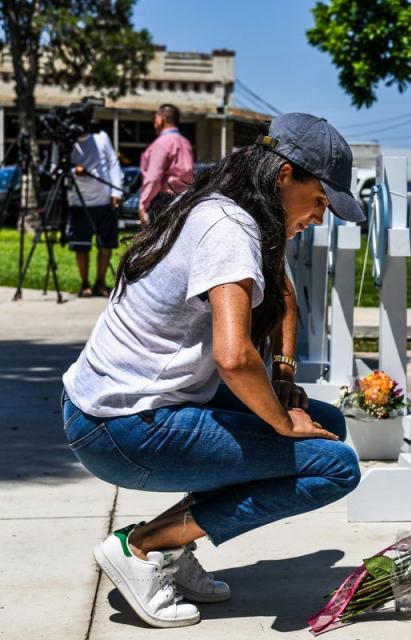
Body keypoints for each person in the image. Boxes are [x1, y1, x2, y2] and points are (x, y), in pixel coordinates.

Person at [61, 113, 367, 628]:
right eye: (319, 201)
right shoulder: (229, 228)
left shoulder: (231, 207)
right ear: (285, 174)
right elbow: (233, 357)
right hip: (121, 427)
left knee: (328, 427)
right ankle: (143, 546)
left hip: (124, 407)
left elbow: (284, 293)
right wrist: (279, 421)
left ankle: (173, 548)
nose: (320, 217)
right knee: (334, 466)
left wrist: (286, 379)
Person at [64, 105, 124, 298]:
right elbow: (59, 169)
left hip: (105, 200)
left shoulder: (101, 137)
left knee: (105, 245)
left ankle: (100, 282)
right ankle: (84, 284)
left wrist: (116, 192)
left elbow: (113, 163)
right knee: (81, 246)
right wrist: (75, 171)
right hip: (78, 202)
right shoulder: (67, 141)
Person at [139, 103, 194, 226]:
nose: (154, 122)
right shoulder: (185, 143)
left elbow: (154, 177)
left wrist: (144, 203)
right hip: (183, 199)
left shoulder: (162, 143)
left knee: (157, 243)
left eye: (155, 118)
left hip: (163, 201)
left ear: (161, 119)